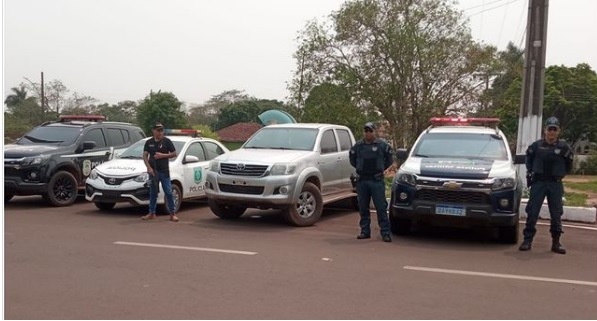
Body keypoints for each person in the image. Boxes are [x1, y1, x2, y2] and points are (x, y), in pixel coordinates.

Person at [520, 116, 573, 254]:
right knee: (532, 212)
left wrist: (561, 173)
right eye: (550, 129)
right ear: (545, 130)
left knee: (556, 213)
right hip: (539, 183)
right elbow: (528, 159)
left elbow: (569, 164)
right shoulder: (536, 146)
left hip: (555, 184)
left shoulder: (563, 147)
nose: (552, 132)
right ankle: (527, 240)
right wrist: (532, 172)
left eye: (554, 129)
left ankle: (556, 242)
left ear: (558, 131)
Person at [349, 122, 394, 242]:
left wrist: (380, 168)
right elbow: (352, 160)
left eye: (370, 131)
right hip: (362, 180)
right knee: (363, 207)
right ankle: (365, 231)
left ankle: (385, 233)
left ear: (374, 132)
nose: (368, 133)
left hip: (376, 180)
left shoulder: (382, 145)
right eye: (366, 131)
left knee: (381, 207)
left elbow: (389, 159)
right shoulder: (358, 146)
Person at [142, 122, 179, 222]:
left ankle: (172, 213)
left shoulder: (167, 141)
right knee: (153, 192)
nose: (160, 132)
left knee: (168, 192)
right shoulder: (149, 142)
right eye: (158, 130)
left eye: (161, 130)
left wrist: (163, 155)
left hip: (164, 171)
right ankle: (152, 213)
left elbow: (174, 153)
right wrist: (149, 168)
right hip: (153, 171)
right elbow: (145, 156)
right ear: (153, 131)